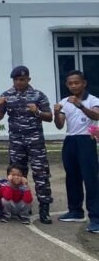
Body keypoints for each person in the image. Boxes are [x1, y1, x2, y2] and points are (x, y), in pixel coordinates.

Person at [0, 65, 53, 224]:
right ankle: (21, 204)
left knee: (41, 174)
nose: (18, 82)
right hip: (16, 141)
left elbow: (49, 117)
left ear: (28, 79)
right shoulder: (6, 95)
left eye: (22, 79)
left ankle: (44, 208)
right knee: (17, 174)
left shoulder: (38, 95)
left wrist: (37, 111)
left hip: (35, 140)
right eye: (16, 79)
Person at [53, 70, 99, 233]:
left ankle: (96, 218)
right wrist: (56, 112)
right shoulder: (64, 101)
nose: (73, 86)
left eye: (76, 82)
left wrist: (80, 105)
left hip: (86, 140)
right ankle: (75, 211)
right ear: (67, 85)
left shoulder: (93, 100)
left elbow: (96, 116)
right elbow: (60, 125)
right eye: (70, 83)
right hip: (70, 140)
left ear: (84, 83)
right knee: (72, 176)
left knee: (90, 178)